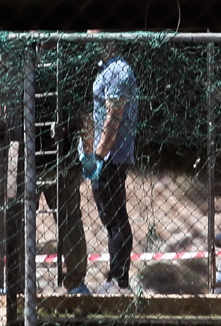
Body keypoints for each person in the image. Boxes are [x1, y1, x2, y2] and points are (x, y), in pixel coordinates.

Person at [0, 104, 90, 295]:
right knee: (69, 219)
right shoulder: (64, 74)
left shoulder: (19, 74)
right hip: (61, 156)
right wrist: (87, 151)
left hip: (29, 159)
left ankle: (16, 281)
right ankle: (75, 283)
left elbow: (3, 108)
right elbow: (84, 115)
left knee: (19, 221)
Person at [79, 42, 138, 295]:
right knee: (111, 218)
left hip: (112, 158)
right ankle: (116, 278)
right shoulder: (105, 69)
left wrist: (99, 156)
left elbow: (113, 117)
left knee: (116, 218)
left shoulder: (117, 71)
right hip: (106, 156)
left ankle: (119, 280)